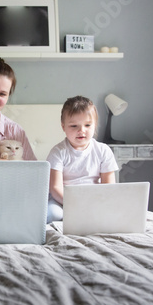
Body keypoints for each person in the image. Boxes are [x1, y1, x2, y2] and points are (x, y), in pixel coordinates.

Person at [46, 95, 119, 223]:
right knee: (52, 214)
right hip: (63, 200)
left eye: (87, 125)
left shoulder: (103, 150)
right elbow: (55, 188)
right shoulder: (58, 152)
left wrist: (95, 204)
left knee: (116, 212)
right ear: (63, 127)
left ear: (95, 125)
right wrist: (75, 204)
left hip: (93, 199)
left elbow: (109, 186)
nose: (81, 130)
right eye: (74, 126)